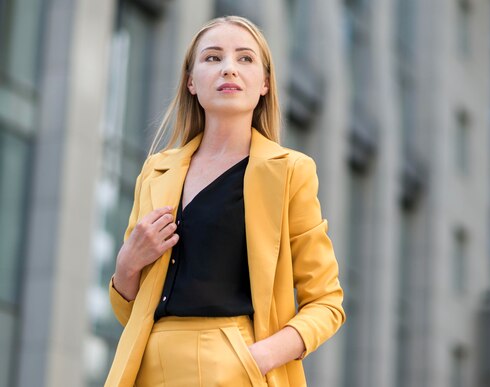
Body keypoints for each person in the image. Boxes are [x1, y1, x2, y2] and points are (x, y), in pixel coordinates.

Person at [105, 15, 345, 387]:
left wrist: (257, 358)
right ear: (191, 82)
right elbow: (128, 311)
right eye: (213, 58)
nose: (229, 69)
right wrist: (127, 263)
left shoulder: (291, 172)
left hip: (235, 364)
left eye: (245, 59)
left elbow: (327, 303)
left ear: (265, 83)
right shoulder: (157, 171)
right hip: (147, 367)